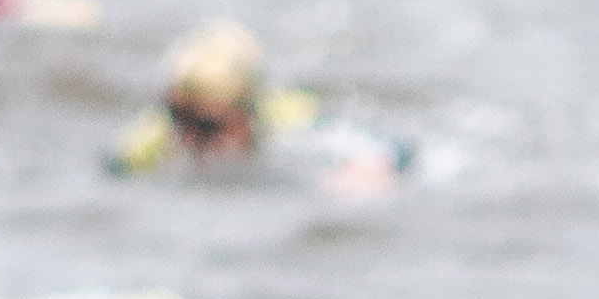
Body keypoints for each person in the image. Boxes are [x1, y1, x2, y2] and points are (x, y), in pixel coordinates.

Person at [104, 20, 398, 190]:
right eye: (180, 118)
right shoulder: (152, 136)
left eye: (208, 125)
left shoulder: (288, 120)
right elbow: (110, 174)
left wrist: (363, 171)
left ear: (248, 114)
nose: (191, 138)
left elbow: (395, 149)